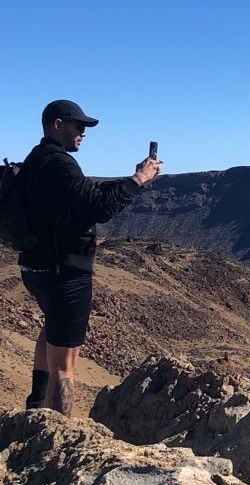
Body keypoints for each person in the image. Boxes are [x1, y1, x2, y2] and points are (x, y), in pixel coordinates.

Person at [17, 98, 161, 414]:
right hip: (65, 272)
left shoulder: (39, 159)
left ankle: (36, 408)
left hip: (38, 268)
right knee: (65, 366)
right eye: (79, 126)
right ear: (58, 125)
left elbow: (86, 194)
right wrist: (139, 182)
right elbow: (99, 208)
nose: (84, 133)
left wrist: (134, 177)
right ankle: (55, 435)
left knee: (52, 331)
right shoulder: (59, 162)